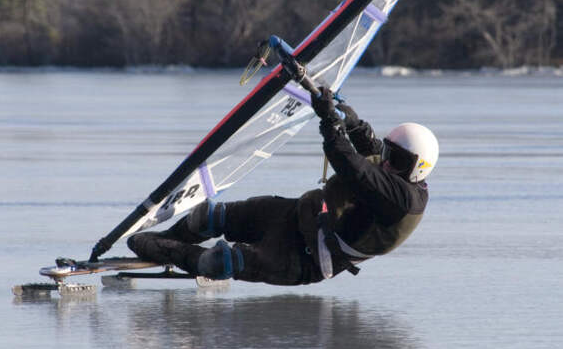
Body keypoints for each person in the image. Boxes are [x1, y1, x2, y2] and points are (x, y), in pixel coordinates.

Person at [127, 87, 439, 285]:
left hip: (304, 258)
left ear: (416, 170)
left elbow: (351, 164)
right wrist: (350, 120)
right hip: (295, 215)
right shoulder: (391, 168)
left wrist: (331, 124)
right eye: (387, 153)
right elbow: (366, 144)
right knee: (209, 216)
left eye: (395, 160)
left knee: (221, 261)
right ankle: (165, 241)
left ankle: (174, 254)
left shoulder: (401, 199)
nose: (385, 162)